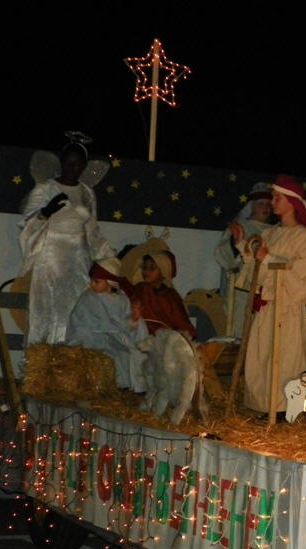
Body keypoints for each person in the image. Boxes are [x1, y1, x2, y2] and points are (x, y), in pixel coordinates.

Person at [229, 174, 306, 416]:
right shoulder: (270, 233)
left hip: (287, 309)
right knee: (262, 357)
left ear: (291, 202)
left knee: (286, 358)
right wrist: (242, 246)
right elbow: (256, 270)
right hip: (267, 308)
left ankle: (284, 409)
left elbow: (302, 274)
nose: (272, 202)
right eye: (273, 197)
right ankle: (265, 406)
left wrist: (268, 258)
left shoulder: (302, 236)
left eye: (277, 198)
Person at [18, 132, 116, 346]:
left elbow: (92, 230)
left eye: (77, 164)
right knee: (46, 309)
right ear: (61, 163)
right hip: (50, 259)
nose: (72, 168)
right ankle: (43, 355)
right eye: (68, 163)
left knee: (74, 309)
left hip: (78, 261)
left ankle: (70, 356)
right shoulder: (45, 189)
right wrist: (45, 213)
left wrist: (108, 256)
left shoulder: (87, 193)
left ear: (83, 166)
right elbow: (28, 225)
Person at [65, 257, 149, 390]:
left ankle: (134, 387)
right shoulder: (88, 298)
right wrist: (118, 331)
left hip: (116, 337)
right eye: (92, 281)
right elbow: (88, 323)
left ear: (110, 282)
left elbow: (124, 321)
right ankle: (121, 386)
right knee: (116, 355)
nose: (92, 285)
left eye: (96, 281)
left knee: (134, 353)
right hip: (93, 338)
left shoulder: (122, 299)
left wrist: (134, 320)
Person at [213, 182, 274, 338]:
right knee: (240, 330)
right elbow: (223, 254)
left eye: (268, 204)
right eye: (261, 204)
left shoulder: (275, 231)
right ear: (252, 206)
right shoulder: (241, 227)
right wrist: (236, 245)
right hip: (242, 291)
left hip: (265, 290)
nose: (265, 208)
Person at [121, 250, 198, 340]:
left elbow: (183, 325)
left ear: (163, 271)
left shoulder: (171, 296)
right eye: (145, 268)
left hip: (163, 340)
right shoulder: (140, 288)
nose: (146, 272)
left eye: (152, 268)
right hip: (138, 336)